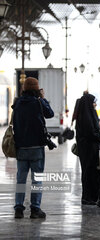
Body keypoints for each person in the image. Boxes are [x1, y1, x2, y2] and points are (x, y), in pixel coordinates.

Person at [13, 77, 54, 219]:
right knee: (37, 179)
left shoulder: (17, 103)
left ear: (24, 88)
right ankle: (35, 209)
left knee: (20, 179)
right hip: (36, 146)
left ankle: (18, 208)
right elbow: (50, 114)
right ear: (36, 89)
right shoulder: (38, 102)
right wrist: (42, 98)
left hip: (21, 147)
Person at [76, 94, 100, 205]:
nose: (95, 104)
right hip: (88, 148)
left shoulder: (86, 114)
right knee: (89, 172)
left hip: (89, 148)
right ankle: (88, 197)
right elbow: (91, 133)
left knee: (91, 172)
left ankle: (92, 196)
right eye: (93, 102)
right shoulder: (86, 117)